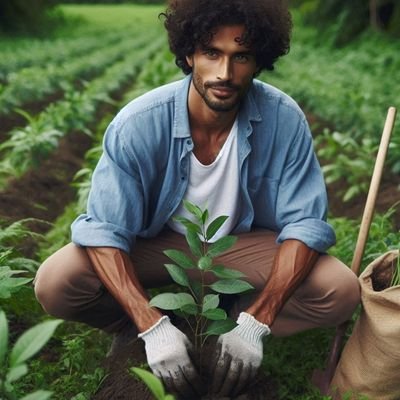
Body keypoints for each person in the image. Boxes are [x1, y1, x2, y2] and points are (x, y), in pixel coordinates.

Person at [34, 0, 361, 398]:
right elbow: (104, 231)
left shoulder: (284, 119)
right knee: (57, 281)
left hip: (240, 246)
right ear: (189, 54)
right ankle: (137, 329)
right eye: (212, 53)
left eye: (241, 56)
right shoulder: (139, 124)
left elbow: (305, 225)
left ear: (259, 61)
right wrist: (150, 324)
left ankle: (234, 323)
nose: (225, 72)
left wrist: (256, 323)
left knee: (338, 289)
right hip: (158, 247)